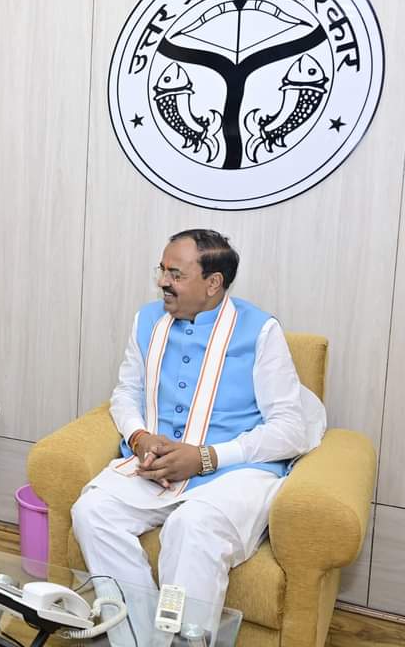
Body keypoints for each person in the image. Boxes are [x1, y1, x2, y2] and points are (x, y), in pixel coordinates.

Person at [71, 229, 325, 642]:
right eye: (162, 270)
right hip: (155, 467)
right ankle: (138, 640)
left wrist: (206, 457)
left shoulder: (260, 331)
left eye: (176, 274)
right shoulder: (147, 321)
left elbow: (290, 428)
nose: (162, 282)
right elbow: (125, 393)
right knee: (91, 512)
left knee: (191, 526)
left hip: (234, 473)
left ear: (213, 283)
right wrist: (139, 437)